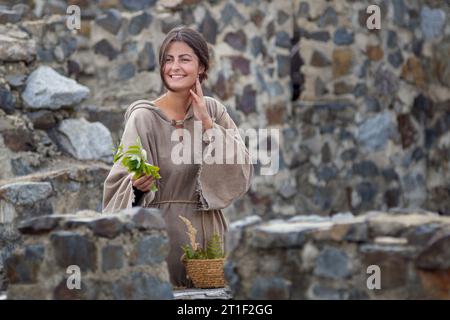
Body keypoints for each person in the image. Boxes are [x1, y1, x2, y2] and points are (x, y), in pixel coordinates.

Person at [102, 26, 253, 287]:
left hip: (210, 248)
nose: (175, 67)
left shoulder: (215, 112)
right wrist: (136, 189)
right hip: (161, 245)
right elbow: (118, 187)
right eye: (168, 60)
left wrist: (207, 124)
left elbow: (241, 173)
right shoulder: (143, 118)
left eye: (185, 59)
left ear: (202, 67)